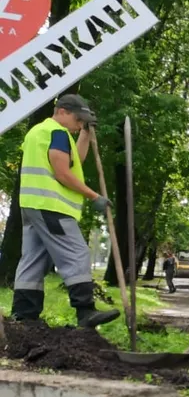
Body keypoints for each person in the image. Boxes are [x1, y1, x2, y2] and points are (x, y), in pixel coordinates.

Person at [11, 94, 119, 328]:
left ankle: (24, 316)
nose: (79, 124)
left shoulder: (40, 132)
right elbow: (62, 172)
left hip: (32, 205)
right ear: (62, 111)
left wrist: (85, 134)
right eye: (78, 120)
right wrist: (94, 196)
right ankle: (85, 311)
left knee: (33, 259)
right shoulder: (57, 133)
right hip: (51, 206)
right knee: (77, 253)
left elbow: (74, 161)